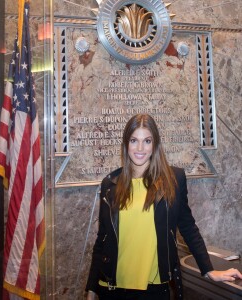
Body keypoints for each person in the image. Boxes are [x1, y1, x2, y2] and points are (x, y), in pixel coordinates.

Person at [86, 114, 242, 300]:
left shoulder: (173, 179)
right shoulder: (110, 184)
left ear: (155, 144)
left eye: (147, 141)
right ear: (126, 144)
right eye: (134, 140)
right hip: (111, 288)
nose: (140, 148)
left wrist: (208, 270)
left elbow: (187, 227)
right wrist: (91, 289)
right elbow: (102, 238)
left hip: (155, 289)